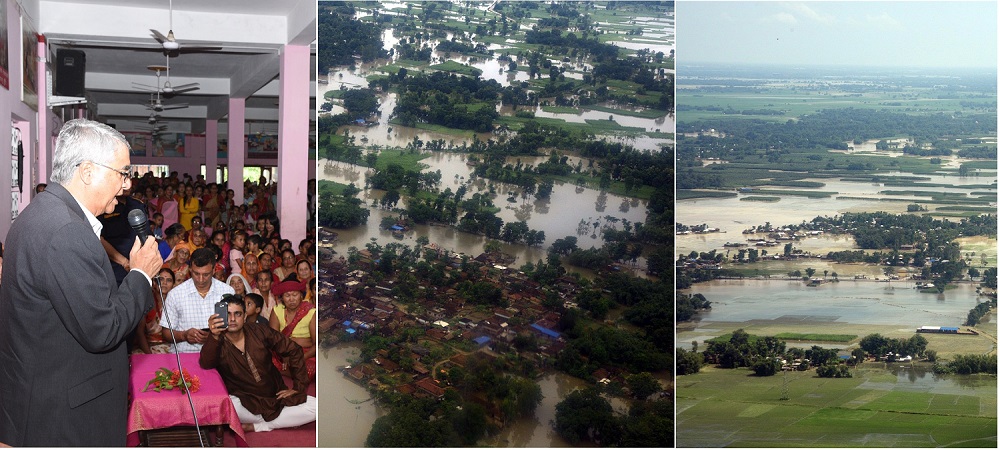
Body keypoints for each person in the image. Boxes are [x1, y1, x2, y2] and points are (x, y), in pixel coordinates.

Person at [0, 118, 162, 446]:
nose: (127, 185)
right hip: (66, 417)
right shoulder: (67, 231)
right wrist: (141, 274)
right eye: (122, 173)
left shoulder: (40, 212)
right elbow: (102, 330)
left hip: (42, 395)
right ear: (88, 171)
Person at [200, 296, 316, 433]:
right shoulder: (217, 340)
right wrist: (213, 336)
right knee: (225, 406)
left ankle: (260, 425)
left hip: (275, 396)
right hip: (245, 402)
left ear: (244, 317)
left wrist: (298, 387)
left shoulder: (260, 331)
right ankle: (274, 421)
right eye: (227, 314)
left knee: (316, 407)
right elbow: (206, 364)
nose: (232, 319)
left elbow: (293, 350)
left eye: (237, 314)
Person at [160, 247, 235, 353]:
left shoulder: (227, 292)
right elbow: (166, 332)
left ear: (214, 270)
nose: (200, 279)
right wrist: (184, 335)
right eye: (196, 273)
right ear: (190, 269)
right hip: (185, 354)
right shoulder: (175, 294)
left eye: (206, 274)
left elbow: (236, 328)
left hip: (219, 354)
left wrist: (214, 336)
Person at [269, 280, 316, 379]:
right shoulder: (277, 310)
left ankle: (283, 371)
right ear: (282, 298)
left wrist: (301, 358)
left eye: (295, 295)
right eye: (287, 296)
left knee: (308, 369)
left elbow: (316, 344)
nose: (291, 299)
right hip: (281, 351)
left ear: (301, 296)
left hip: (305, 353)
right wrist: (285, 356)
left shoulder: (311, 312)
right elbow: (274, 339)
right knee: (263, 358)